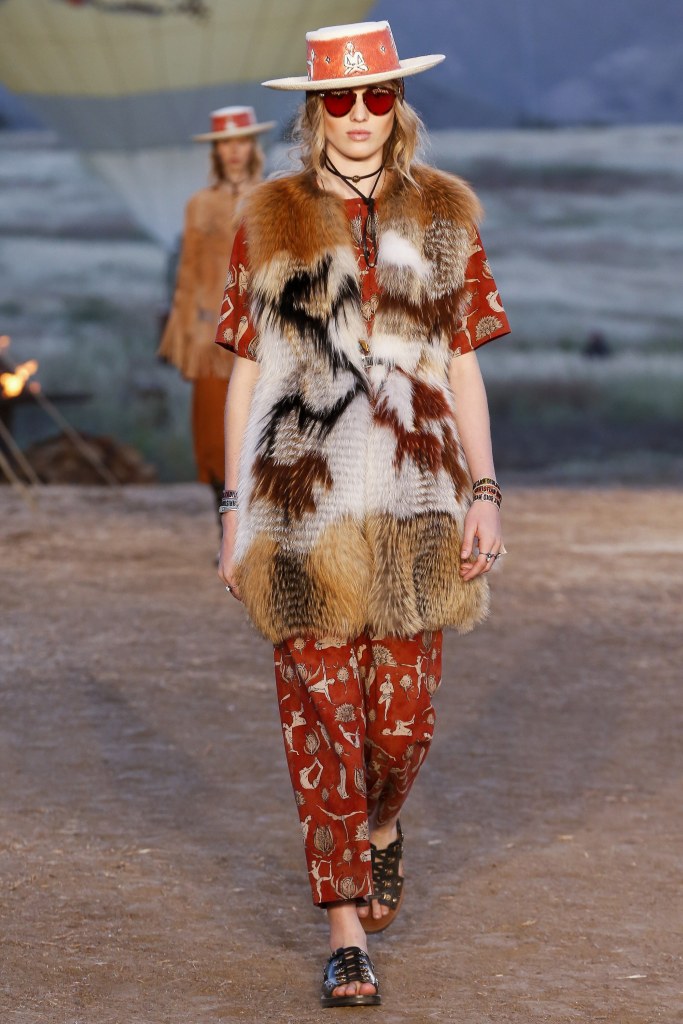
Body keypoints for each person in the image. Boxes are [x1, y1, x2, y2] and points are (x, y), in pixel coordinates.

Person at [216, 20, 510, 1009]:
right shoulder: (269, 217)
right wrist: (231, 511)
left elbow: (462, 364)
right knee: (323, 721)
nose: (355, 114)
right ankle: (344, 929)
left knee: (399, 728)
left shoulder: (444, 213)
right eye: (337, 99)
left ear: (396, 105)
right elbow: (244, 370)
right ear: (314, 111)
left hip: (418, 506)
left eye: (373, 96)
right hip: (299, 506)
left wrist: (483, 492)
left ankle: (382, 826)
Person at [158, 106, 274, 514]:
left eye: (241, 141)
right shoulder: (199, 204)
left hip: (262, 335)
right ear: (216, 151)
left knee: (263, 435)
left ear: (253, 145)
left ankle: (257, 529)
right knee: (212, 439)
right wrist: (184, 336)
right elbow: (187, 274)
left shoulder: (271, 198)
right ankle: (224, 527)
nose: (234, 150)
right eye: (225, 143)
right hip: (210, 339)